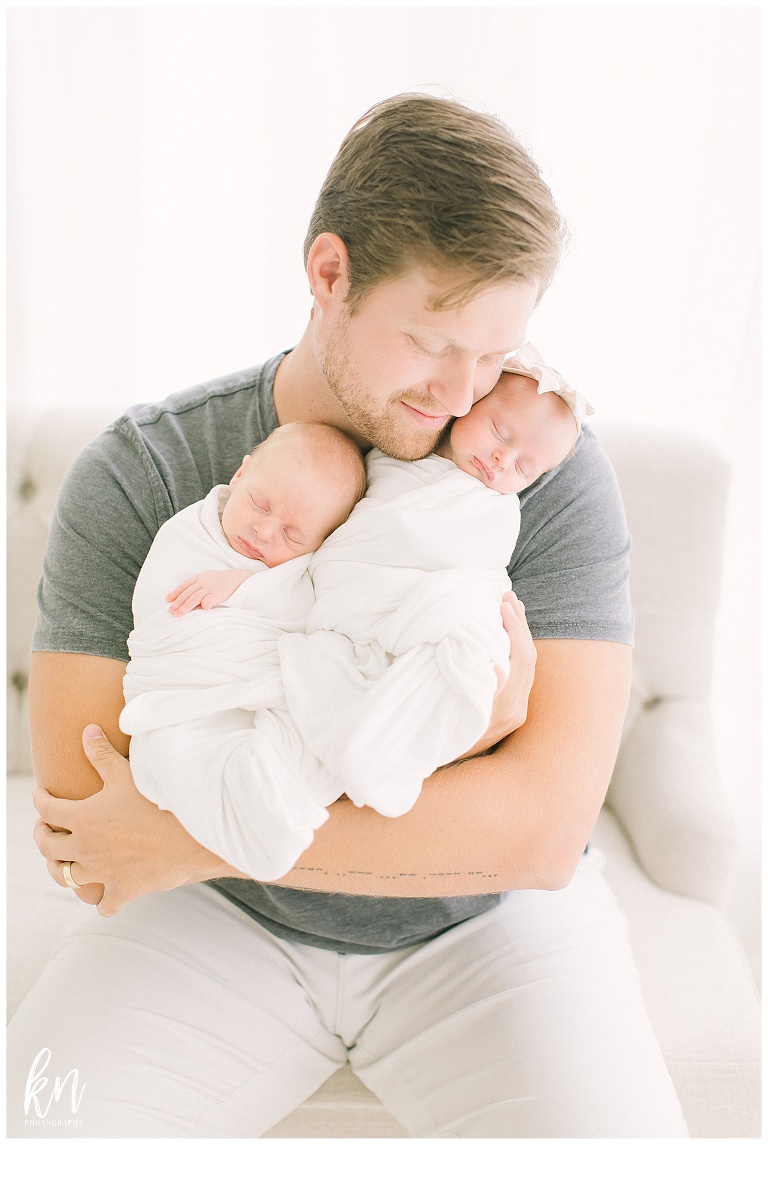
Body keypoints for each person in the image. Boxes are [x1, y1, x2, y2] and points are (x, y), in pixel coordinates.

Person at [9, 92, 689, 1137]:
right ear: (330, 273)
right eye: (432, 341)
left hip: (486, 927)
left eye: (495, 353)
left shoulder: (537, 471)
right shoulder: (146, 468)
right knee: (36, 1141)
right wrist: (464, 752)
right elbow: (83, 811)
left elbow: (545, 832)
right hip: (209, 925)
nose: (464, 394)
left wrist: (197, 838)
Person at [121, 352, 582, 883]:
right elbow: (327, 562)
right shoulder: (385, 461)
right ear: (471, 403)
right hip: (344, 621)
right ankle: (294, 776)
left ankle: (365, 749)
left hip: (426, 612)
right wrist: (252, 585)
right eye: (500, 433)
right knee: (307, 695)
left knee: (428, 673)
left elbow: (474, 578)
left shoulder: (492, 513)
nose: (503, 460)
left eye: (524, 468)